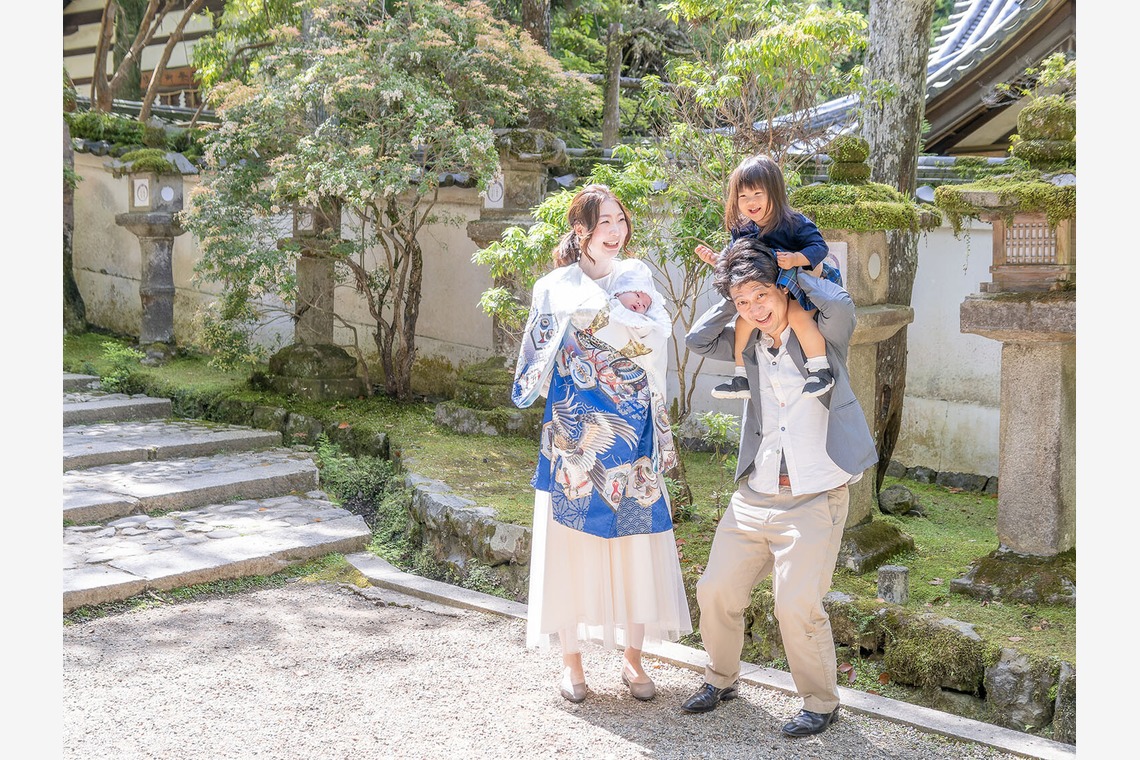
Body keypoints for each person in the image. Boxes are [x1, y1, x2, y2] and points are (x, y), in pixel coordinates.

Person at [679, 236, 877, 738]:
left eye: (761, 297)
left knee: (796, 605)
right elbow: (698, 340)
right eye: (745, 303)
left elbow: (840, 303)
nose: (755, 309)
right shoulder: (746, 337)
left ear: (781, 290)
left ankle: (820, 702)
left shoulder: (823, 333)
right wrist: (733, 292)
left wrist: (789, 274)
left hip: (813, 494)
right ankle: (721, 679)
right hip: (756, 491)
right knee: (716, 589)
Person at [511, 184, 692, 704]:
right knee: (571, 544)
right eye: (603, 222)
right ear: (581, 230)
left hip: (632, 431)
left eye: (620, 220)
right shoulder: (555, 286)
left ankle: (633, 659)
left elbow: (658, 340)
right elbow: (536, 355)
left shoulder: (638, 281)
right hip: (576, 433)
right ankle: (572, 663)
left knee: (638, 540)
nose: (615, 232)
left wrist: (611, 313)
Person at [695, 154, 844, 401]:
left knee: (797, 315)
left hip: (803, 282)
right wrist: (717, 260)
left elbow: (820, 248)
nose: (750, 202)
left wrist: (796, 258)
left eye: (757, 194)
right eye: (743, 196)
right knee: (743, 322)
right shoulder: (742, 229)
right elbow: (736, 257)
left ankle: (820, 371)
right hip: (771, 289)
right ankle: (741, 377)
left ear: (774, 192)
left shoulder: (794, 222)